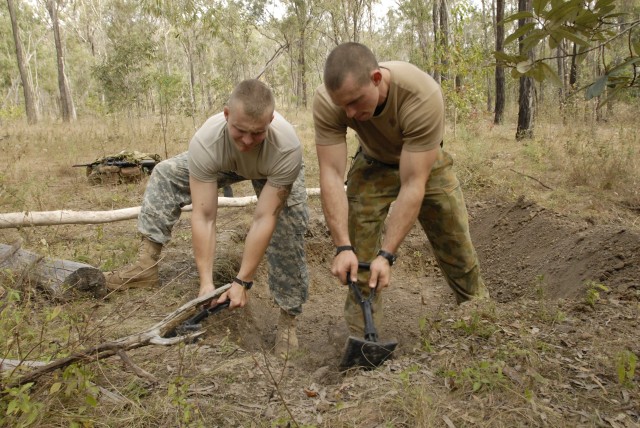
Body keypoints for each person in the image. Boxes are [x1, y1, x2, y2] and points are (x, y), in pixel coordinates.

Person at [105, 79, 309, 357]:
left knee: (288, 225)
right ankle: (145, 266)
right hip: (226, 162)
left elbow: (264, 218)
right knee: (165, 173)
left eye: (257, 133)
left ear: (271, 121)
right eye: (239, 131)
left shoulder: (287, 148)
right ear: (226, 115)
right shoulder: (206, 141)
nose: (247, 141)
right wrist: (206, 285)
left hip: (274, 169)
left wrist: (242, 282)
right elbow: (204, 215)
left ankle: (288, 316)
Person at [312, 42, 489, 336]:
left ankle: (482, 321)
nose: (351, 113)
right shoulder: (329, 101)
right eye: (343, 105)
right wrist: (342, 246)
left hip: (425, 166)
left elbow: (413, 184)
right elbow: (330, 173)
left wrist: (388, 255)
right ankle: (364, 342)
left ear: (377, 78)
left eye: (355, 101)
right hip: (372, 163)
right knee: (360, 259)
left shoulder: (422, 95)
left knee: (457, 247)